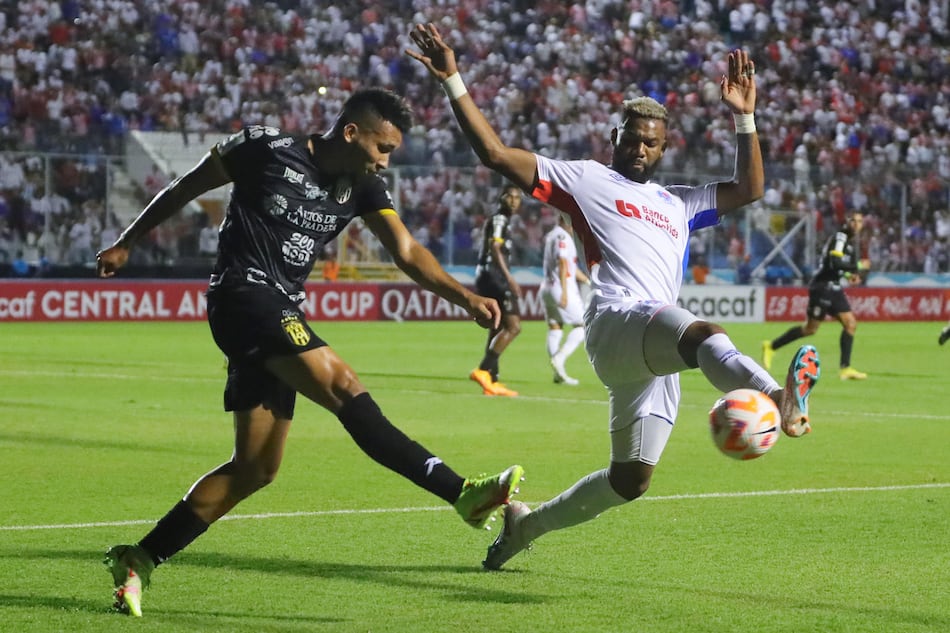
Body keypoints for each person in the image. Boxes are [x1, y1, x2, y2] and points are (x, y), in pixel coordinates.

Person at [95, 88, 524, 616]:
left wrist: (464, 296)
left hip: (281, 311)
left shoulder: (363, 185)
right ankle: (460, 491)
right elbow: (187, 186)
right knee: (344, 385)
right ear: (351, 133)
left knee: (255, 468)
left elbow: (408, 252)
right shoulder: (263, 147)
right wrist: (128, 240)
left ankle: (139, 558)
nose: (385, 160)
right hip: (242, 296)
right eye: (382, 147)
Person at [408, 26, 820, 570]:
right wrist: (453, 80)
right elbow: (493, 153)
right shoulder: (584, 180)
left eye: (651, 142)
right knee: (703, 332)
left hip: (651, 355)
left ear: (665, 146)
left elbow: (749, 189)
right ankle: (779, 397)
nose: (640, 149)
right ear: (614, 134)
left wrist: (744, 117)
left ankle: (523, 527)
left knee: (630, 480)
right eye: (631, 138)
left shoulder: (679, 203)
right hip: (618, 318)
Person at [762, 212, 868, 380]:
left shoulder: (850, 243)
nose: (856, 224)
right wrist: (858, 265)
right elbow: (834, 262)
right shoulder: (840, 237)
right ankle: (771, 346)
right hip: (822, 287)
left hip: (835, 287)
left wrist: (849, 275)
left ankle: (845, 369)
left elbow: (837, 267)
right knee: (810, 329)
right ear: (847, 222)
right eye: (853, 220)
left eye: (860, 221)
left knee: (850, 324)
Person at [468, 184, 523, 397]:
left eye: (517, 198)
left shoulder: (503, 220)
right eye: (510, 196)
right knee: (513, 326)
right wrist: (509, 279)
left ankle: (491, 380)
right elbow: (495, 247)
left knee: (496, 325)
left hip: (486, 275)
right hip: (493, 276)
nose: (514, 201)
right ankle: (482, 369)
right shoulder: (500, 219)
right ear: (501, 198)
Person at [540, 212, 590, 385]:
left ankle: (557, 374)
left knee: (555, 328)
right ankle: (560, 358)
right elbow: (562, 263)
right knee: (582, 326)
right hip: (561, 287)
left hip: (546, 287)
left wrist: (587, 280)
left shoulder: (551, 235)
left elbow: (569, 266)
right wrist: (564, 292)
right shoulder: (563, 237)